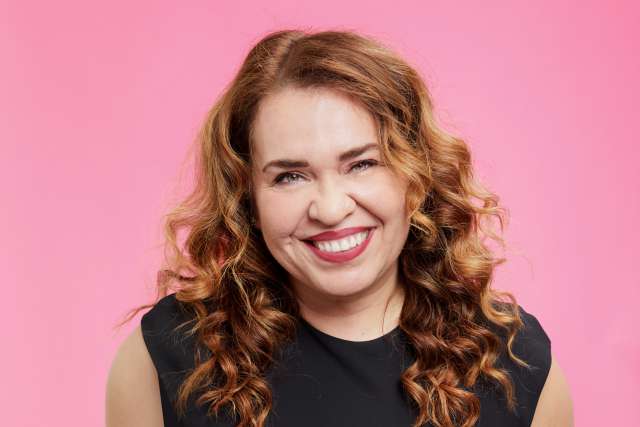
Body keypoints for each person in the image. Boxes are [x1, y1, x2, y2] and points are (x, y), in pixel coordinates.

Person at [106, 29, 573, 427]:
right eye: (290, 176)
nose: (330, 210)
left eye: (362, 164)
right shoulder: (167, 356)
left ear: (415, 175)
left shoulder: (517, 364)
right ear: (248, 199)